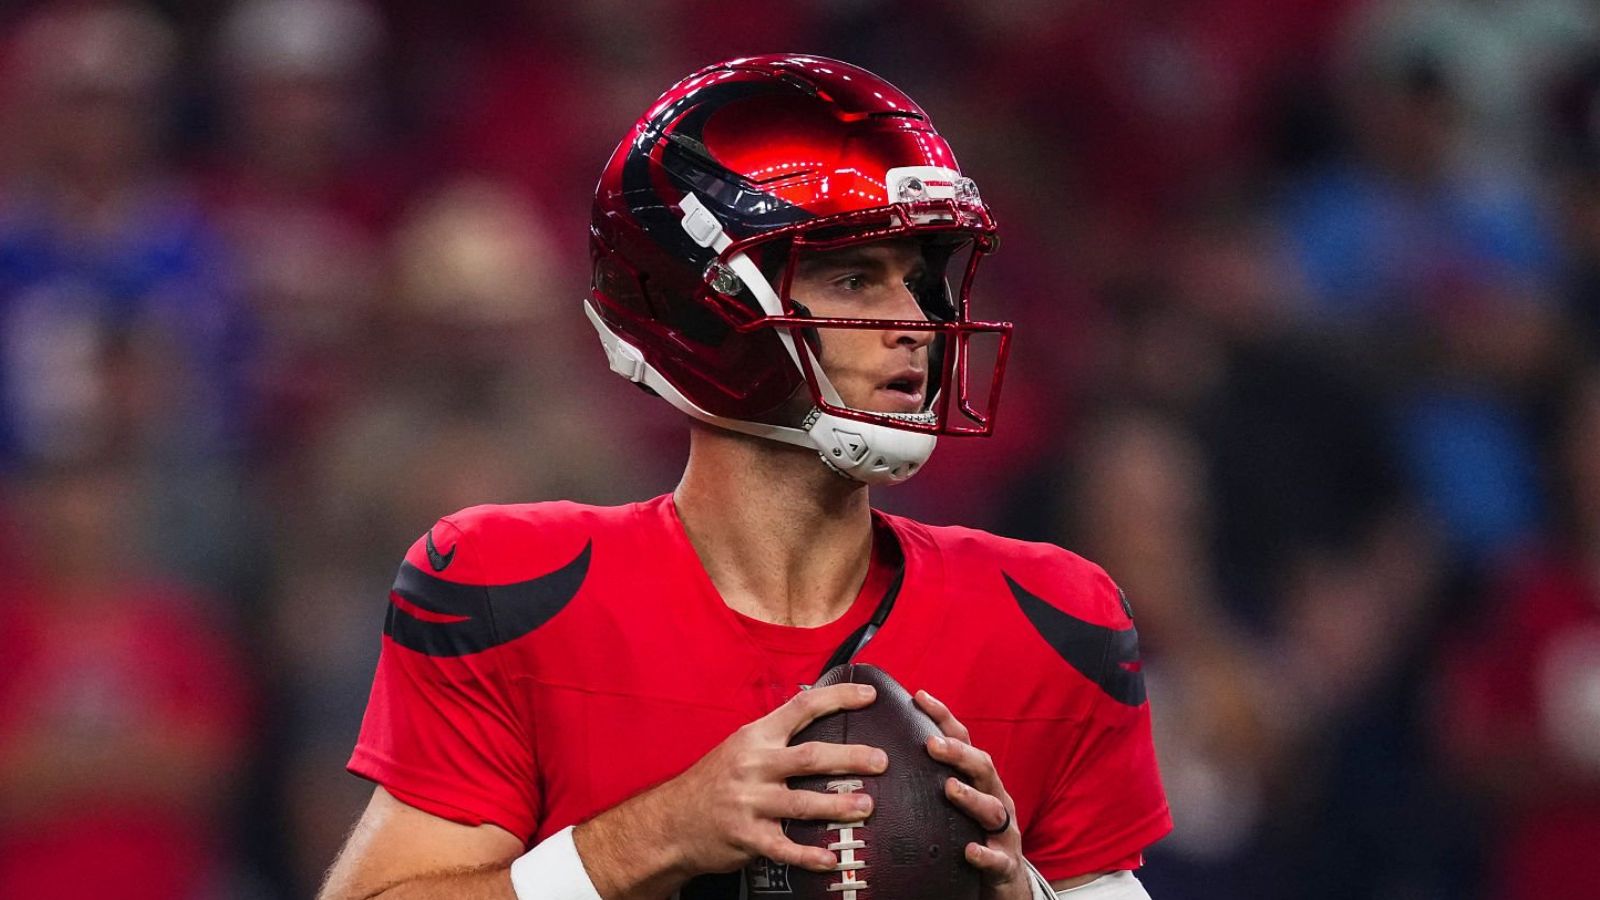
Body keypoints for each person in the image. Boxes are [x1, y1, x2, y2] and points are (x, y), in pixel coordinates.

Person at [320, 54, 1170, 900]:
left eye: (921, 280)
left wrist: (1022, 892)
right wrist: (646, 840)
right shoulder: (519, 589)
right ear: (706, 305)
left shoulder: (1051, 618)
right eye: (852, 277)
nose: (918, 324)